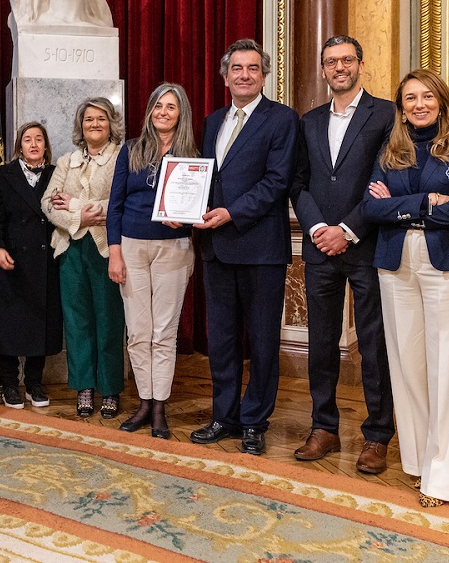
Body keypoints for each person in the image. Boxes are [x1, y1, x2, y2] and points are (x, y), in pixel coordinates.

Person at [363, 69, 449, 507]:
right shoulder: (391, 148)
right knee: (407, 364)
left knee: (448, 367)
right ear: (400, 106)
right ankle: (417, 463)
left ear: (441, 100)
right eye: (409, 98)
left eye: (426, 96)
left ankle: (444, 479)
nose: (418, 104)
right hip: (395, 261)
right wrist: (425, 203)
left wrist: (398, 206)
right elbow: (369, 208)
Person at [290, 35, 395, 474]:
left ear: (361, 64)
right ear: (322, 69)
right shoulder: (308, 120)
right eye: (331, 61)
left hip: (366, 242)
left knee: (373, 343)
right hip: (318, 247)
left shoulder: (387, 113)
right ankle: (324, 427)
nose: (339, 67)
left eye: (347, 60)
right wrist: (318, 228)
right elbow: (298, 182)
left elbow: (385, 176)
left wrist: (348, 230)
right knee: (321, 342)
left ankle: (376, 435)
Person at [190, 39, 297, 456]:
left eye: (253, 68)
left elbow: (276, 182)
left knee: (263, 341)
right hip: (216, 248)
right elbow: (203, 177)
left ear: (264, 76)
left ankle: (254, 420)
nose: (245, 75)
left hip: (260, 248)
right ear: (225, 75)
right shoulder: (212, 121)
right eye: (237, 68)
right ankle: (224, 415)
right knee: (221, 339)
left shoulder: (282, 119)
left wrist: (231, 213)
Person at [107, 83, 198, 440]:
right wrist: (115, 252)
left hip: (173, 249)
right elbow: (114, 205)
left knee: (164, 332)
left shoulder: (192, 154)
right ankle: (143, 402)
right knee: (138, 332)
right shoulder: (130, 150)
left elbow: (200, 207)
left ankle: (160, 406)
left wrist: (187, 219)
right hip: (131, 247)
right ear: (149, 111)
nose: (163, 112)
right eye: (158, 105)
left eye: (171, 107)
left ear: (181, 114)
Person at [42, 97, 125, 419]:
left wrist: (76, 205)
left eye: (101, 119)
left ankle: (111, 389)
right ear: (80, 125)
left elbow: (121, 199)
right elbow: (48, 204)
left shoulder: (121, 157)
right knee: (77, 323)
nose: (94, 124)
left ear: (111, 123)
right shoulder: (67, 161)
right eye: (89, 119)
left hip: (108, 249)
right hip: (70, 249)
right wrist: (80, 218)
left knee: (109, 320)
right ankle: (85, 387)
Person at [0, 122, 62, 408]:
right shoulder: (1, 175)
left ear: (45, 145)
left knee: (39, 323)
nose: (33, 144)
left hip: (45, 261)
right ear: (19, 146)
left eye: (38, 139)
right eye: (27, 139)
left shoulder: (56, 175)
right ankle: (8, 384)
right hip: (11, 260)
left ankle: (34, 383)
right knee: (9, 324)